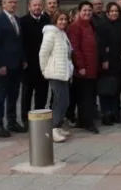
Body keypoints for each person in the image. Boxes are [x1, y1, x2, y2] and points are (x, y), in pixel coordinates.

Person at [0, 0, 27, 138]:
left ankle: (12, 121)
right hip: (4, 65)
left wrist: (23, 59)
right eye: (10, 2)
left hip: (17, 64)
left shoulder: (17, 19)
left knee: (13, 94)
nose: (13, 5)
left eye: (15, 2)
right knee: (1, 95)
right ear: (3, 4)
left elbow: (19, 42)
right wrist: (0, 64)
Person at [39, 10, 73, 143]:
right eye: (60, 19)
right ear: (55, 20)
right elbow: (43, 53)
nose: (63, 22)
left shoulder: (63, 33)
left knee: (64, 101)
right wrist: (44, 70)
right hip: (55, 73)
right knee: (60, 101)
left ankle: (57, 126)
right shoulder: (51, 34)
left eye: (65, 19)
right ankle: (53, 128)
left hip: (64, 72)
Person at [67, 1, 100, 134]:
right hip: (83, 68)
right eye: (84, 10)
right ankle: (87, 122)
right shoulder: (75, 26)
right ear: (79, 12)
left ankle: (83, 119)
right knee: (85, 96)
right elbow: (75, 48)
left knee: (89, 95)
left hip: (92, 66)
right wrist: (80, 65)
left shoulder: (90, 25)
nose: (87, 13)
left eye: (89, 11)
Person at [19, 0, 51, 128]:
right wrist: (23, 60)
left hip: (43, 63)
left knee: (42, 92)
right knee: (27, 93)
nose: (37, 7)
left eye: (39, 5)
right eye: (34, 5)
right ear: (29, 7)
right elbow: (20, 43)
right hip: (29, 63)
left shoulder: (47, 20)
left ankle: (39, 117)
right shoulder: (23, 22)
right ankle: (26, 120)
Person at [97, 2, 121, 124]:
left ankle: (116, 113)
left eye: (116, 11)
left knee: (116, 88)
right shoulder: (102, 25)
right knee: (106, 88)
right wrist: (104, 59)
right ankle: (106, 114)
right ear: (107, 13)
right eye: (112, 11)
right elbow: (100, 45)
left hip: (118, 61)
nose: (114, 13)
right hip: (107, 62)